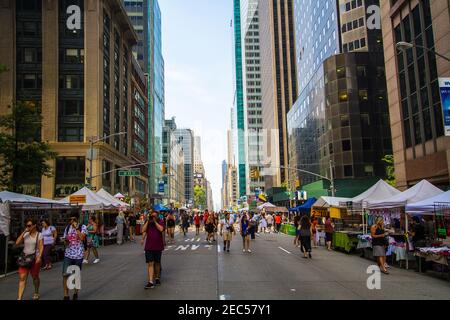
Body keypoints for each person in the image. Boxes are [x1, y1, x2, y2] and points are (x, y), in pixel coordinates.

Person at [16, 218, 43, 300]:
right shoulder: (25, 234)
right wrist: (24, 231)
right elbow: (17, 243)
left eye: (29, 225)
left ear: (34, 225)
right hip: (24, 258)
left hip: (34, 259)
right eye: (26, 225)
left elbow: (41, 247)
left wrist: (39, 257)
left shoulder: (39, 235)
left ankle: (36, 291)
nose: (28, 227)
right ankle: (19, 298)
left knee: (35, 277)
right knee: (22, 277)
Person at [62, 214, 88, 300]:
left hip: (78, 254)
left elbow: (81, 238)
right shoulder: (67, 228)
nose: (72, 221)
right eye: (70, 219)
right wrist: (65, 240)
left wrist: (76, 228)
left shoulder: (82, 227)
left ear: (77, 219)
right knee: (65, 274)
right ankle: (66, 295)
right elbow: (66, 242)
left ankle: (75, 292)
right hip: (68, 254)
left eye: (73, 219)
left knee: (76, 274)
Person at [141, 210, 165, 289]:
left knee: (157, 263)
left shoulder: (160, 221)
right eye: (152, 216)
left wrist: (155, 222)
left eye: (154, 216)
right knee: (150, 263)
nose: (153, 217)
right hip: (149, 247)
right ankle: (150, 281)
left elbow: (161, 229)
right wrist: (148, 221)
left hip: (158, 246)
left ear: (157, 216)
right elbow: (143, 230)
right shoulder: (148, 222)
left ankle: (157, 278)